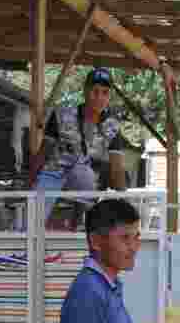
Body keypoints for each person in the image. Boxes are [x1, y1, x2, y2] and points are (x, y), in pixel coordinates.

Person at [32, 68, 129, 228]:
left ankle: (78, 226)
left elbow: (117, 169)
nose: (99, 97)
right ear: (85, 91)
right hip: (53, 173)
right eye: (95, 91)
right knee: (31, 220)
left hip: (83, 177)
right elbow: (43, 153)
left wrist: (125, 201)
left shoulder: (112, 127)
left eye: (105, 93)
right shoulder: (62, 115)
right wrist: (30, 183)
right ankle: (28, 231)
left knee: (87, 177)